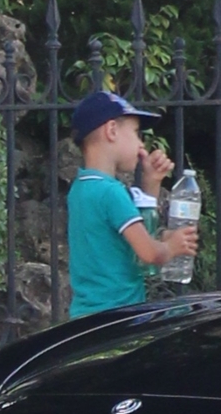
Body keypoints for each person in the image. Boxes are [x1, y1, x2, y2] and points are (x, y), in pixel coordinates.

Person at [66, 89, 198, 317]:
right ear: (112, 130)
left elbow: (134, 250)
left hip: (87, 317)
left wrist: (151, 183)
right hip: (119, 317)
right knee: (190, 316)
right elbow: (148, 256)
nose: (140, 145)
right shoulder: (112, 193)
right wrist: (171, 247)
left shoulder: (81, 188)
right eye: (137, 133)